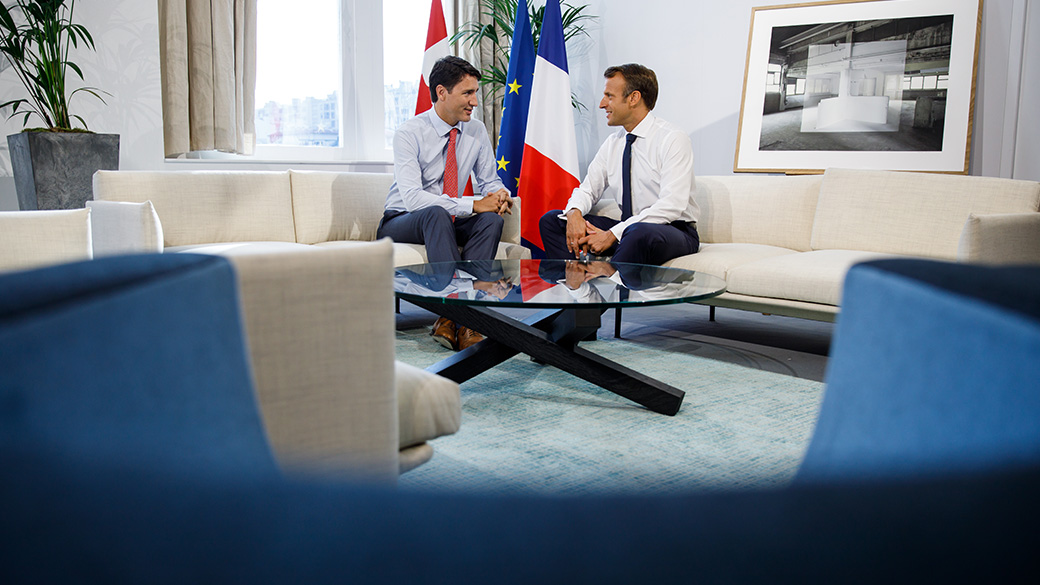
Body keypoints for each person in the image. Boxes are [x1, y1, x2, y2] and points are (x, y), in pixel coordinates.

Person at [378, 56, 512, 352]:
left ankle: (458, 319)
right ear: (442, 92)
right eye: (468, 93)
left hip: (447, 221)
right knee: (436, 212)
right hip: (403, 220)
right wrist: (474, 205)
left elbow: (489, 180)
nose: (475, 102)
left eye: (475, 93)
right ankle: (460, 314)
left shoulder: (475, 131)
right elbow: (413, 198)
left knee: (492, 221)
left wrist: (499, 194)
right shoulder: (409, 133)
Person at [538, 63, 700, 266]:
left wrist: (612, 234)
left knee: (637, 232)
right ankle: (579, 292)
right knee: (552, 221)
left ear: (633, 98)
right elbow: (588, 190)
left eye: (609, 96)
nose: (602, 104)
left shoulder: (672, 139)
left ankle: (614, 287)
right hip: (630, 229)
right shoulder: (614, 143)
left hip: (673, 231)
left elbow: (671, 206)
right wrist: (574, 213)